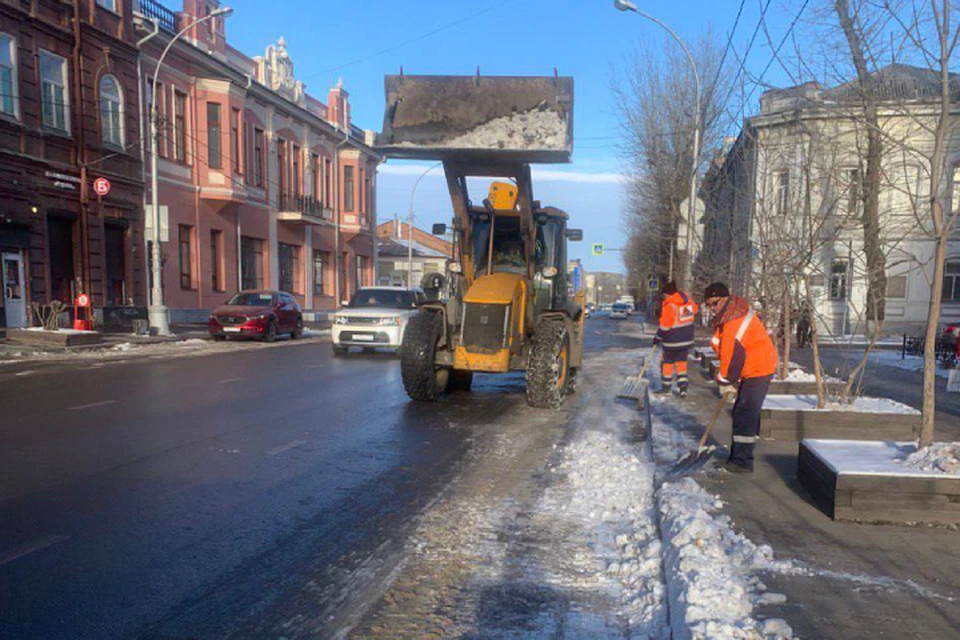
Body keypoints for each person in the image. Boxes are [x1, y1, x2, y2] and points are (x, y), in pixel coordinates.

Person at [704, 282, 778, 473]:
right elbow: (722, 347)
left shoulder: (733, 320)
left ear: (725, 299)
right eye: (708, 305)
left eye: (714, 303)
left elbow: (732, 356)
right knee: (741, 412)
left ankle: (743, 462)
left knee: (746, 413)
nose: (712, 309)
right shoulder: (729, 315)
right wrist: (729, 377)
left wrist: (725, 379)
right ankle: (737, 457)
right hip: (751, 368)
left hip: (759, 369)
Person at [652, 281, 699, 397]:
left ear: (668, 294)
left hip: (671, 341)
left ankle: (666, 387)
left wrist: (657, 337)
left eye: (664, 295)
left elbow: (665, 326)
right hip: (686, 340)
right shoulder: (686, 302)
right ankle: (683, 388)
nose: (664, 297)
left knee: (667, 364)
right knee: (681, 365)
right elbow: (695, 310)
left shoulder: (669, 305)